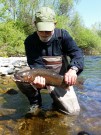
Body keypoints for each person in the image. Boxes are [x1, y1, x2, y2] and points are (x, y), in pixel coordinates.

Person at [20, 6, 84, 115]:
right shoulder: (30, 41)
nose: (45, 33)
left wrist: (73, 69)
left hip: (60, 79)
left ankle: (56, 101)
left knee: (72, 112)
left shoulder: (63, 36)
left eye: (48, 30)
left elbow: (77, 54)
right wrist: (39, 82)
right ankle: (35, 103)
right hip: (40, 78)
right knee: (20, 75)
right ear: (35, 24)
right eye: (41, 30)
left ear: (55, 24)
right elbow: (35, 65)